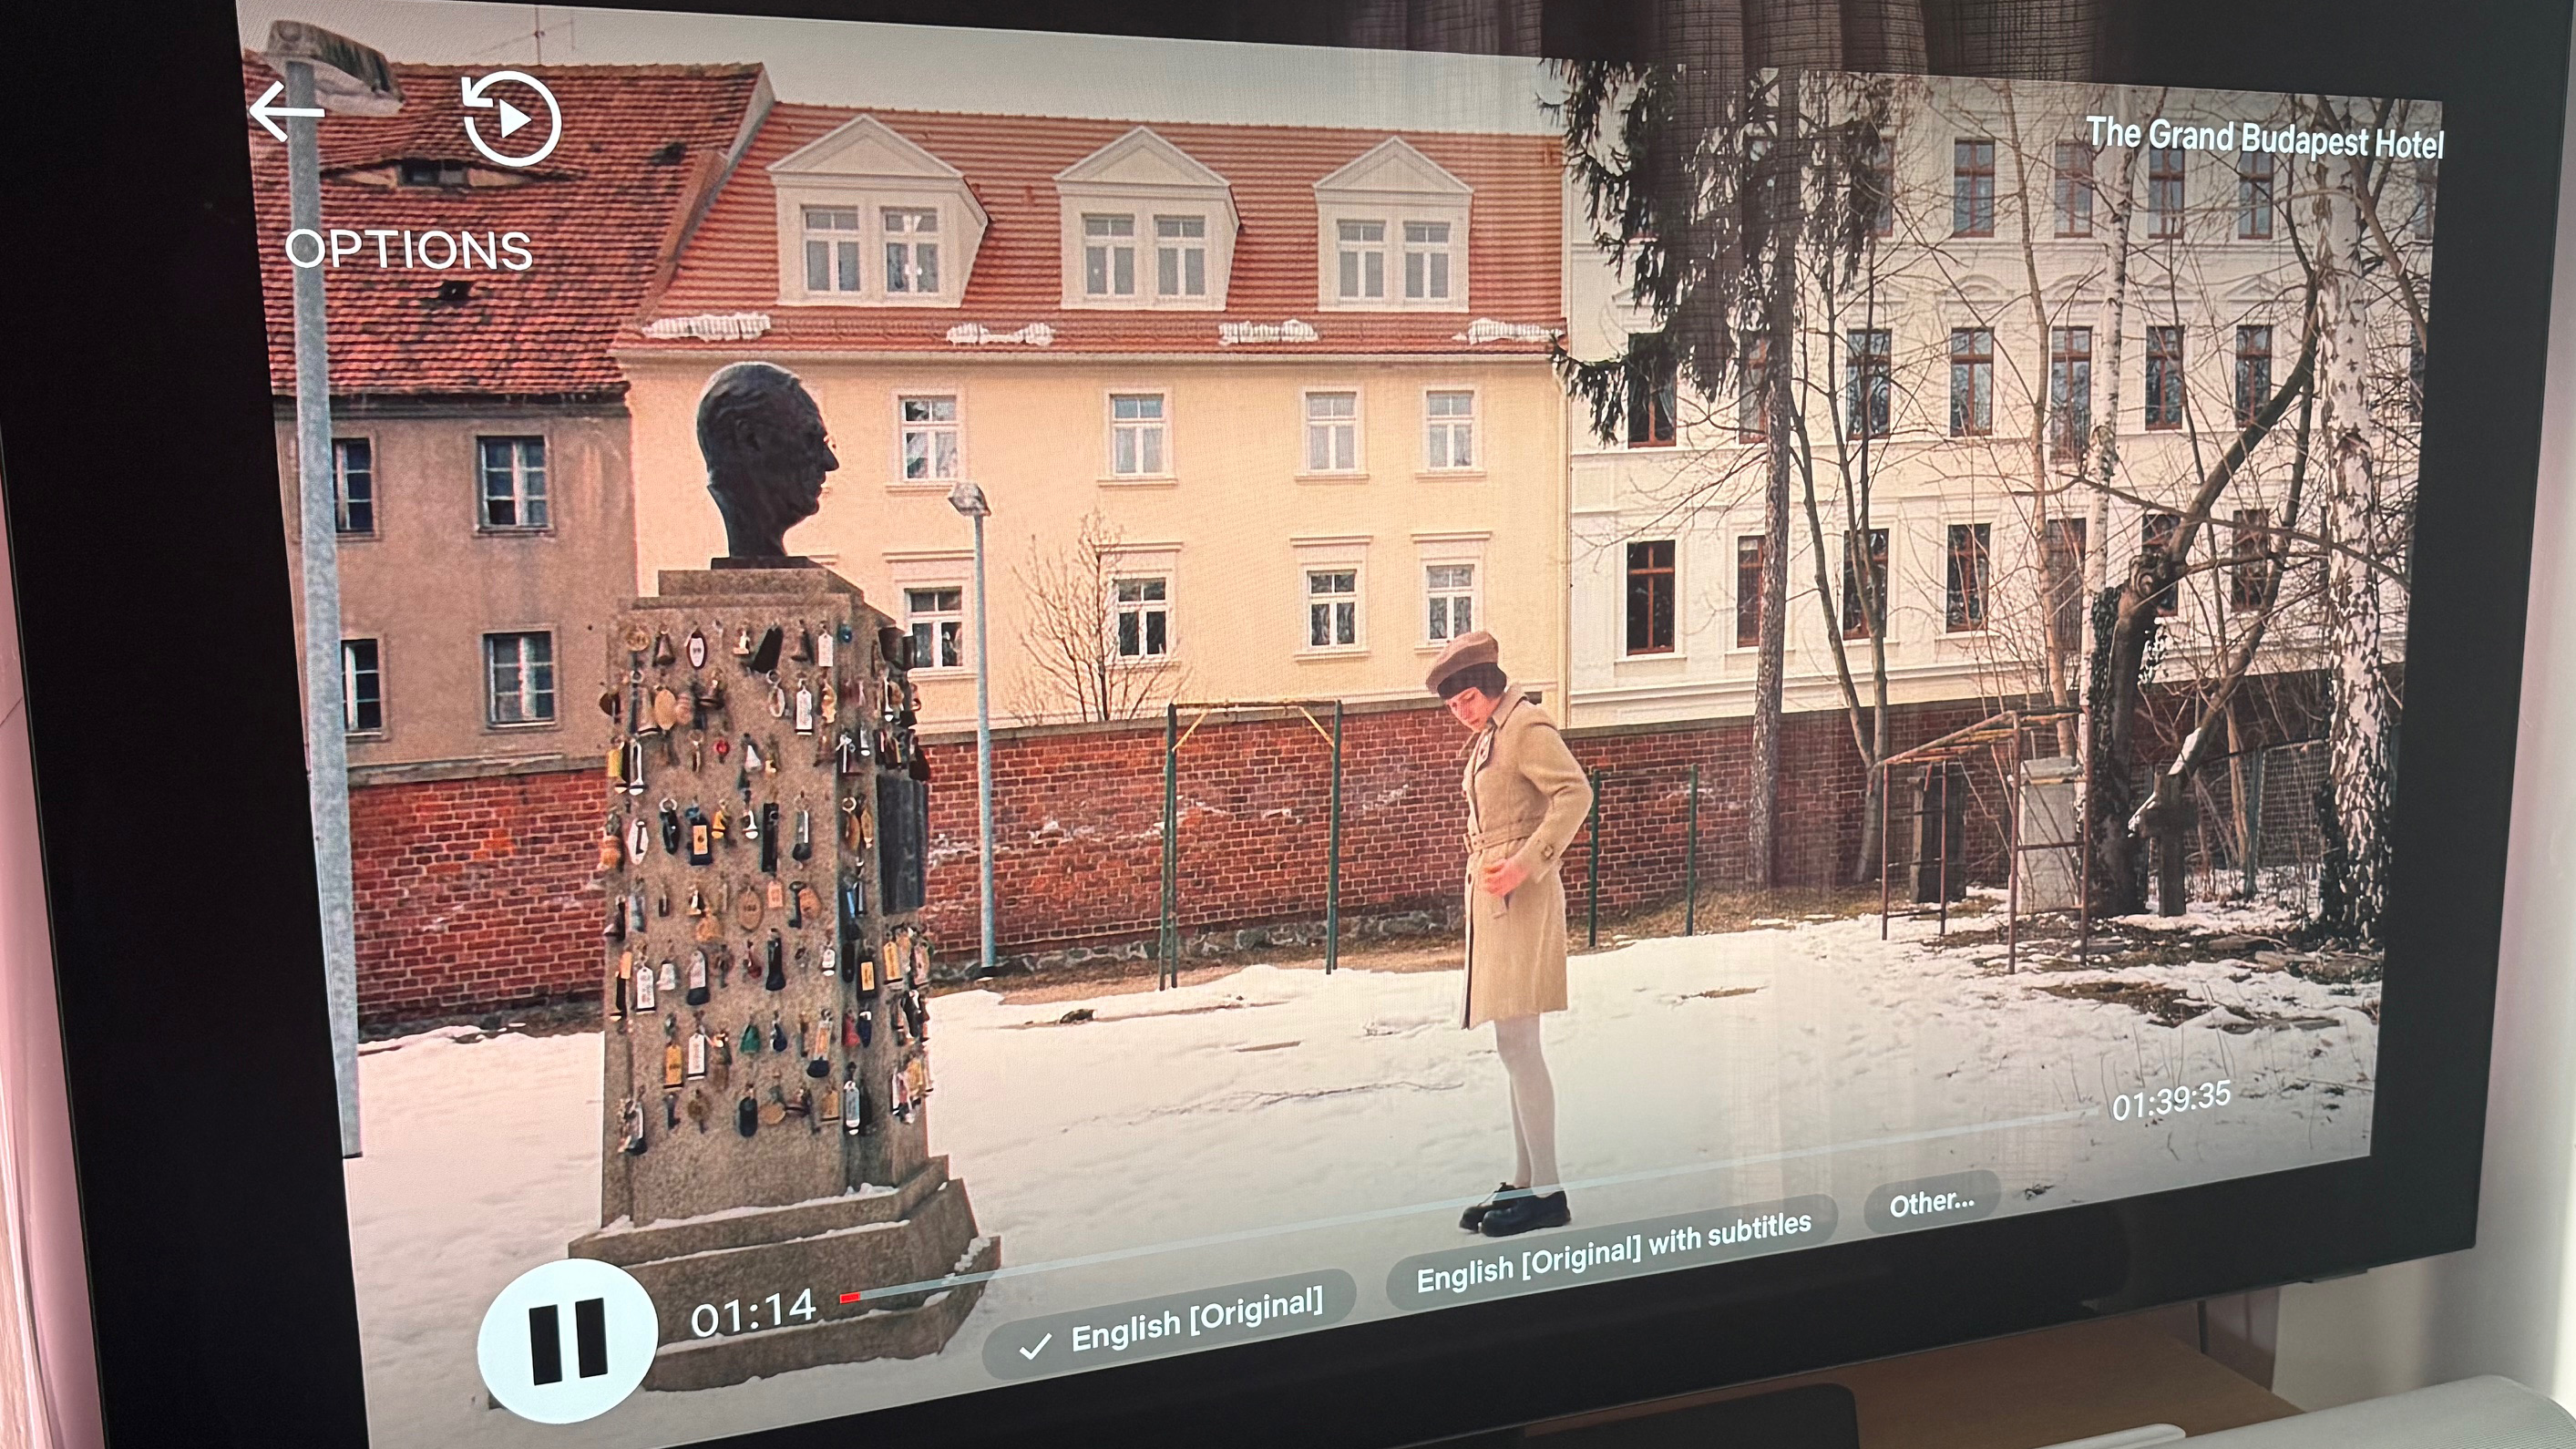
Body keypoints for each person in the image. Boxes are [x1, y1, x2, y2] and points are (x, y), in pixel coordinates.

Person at [1429, 631, 1593, 1238]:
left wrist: (1527, 862)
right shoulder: (1490, 737)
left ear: (1491, 685)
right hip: (1497, 900)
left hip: (1520, 897)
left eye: (1467, 698)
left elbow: (1573, 793)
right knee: (1510, 1046)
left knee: (1521, 1045)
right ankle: (1525, 1182)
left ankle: (1547, 1190)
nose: (1461, 713)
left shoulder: (1524, 727)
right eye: (1452, 706)